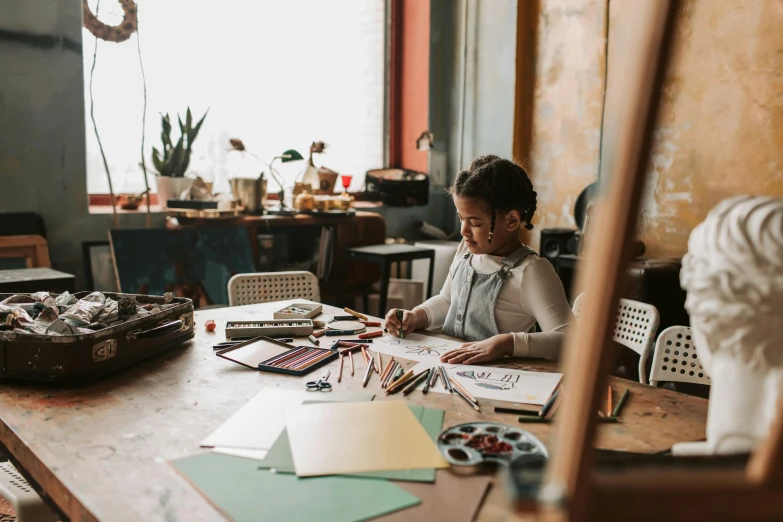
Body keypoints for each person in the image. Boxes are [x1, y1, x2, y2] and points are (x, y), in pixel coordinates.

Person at [384, 155, 573, 364]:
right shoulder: (466, 249)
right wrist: (417, 315)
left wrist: (506, 343)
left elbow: (570, 342)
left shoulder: (532, 271)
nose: (463, 231)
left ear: (511, 220)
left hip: (496, 382)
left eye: (474, 223)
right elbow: (449, 300)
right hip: (450, 370)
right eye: (461, 218)